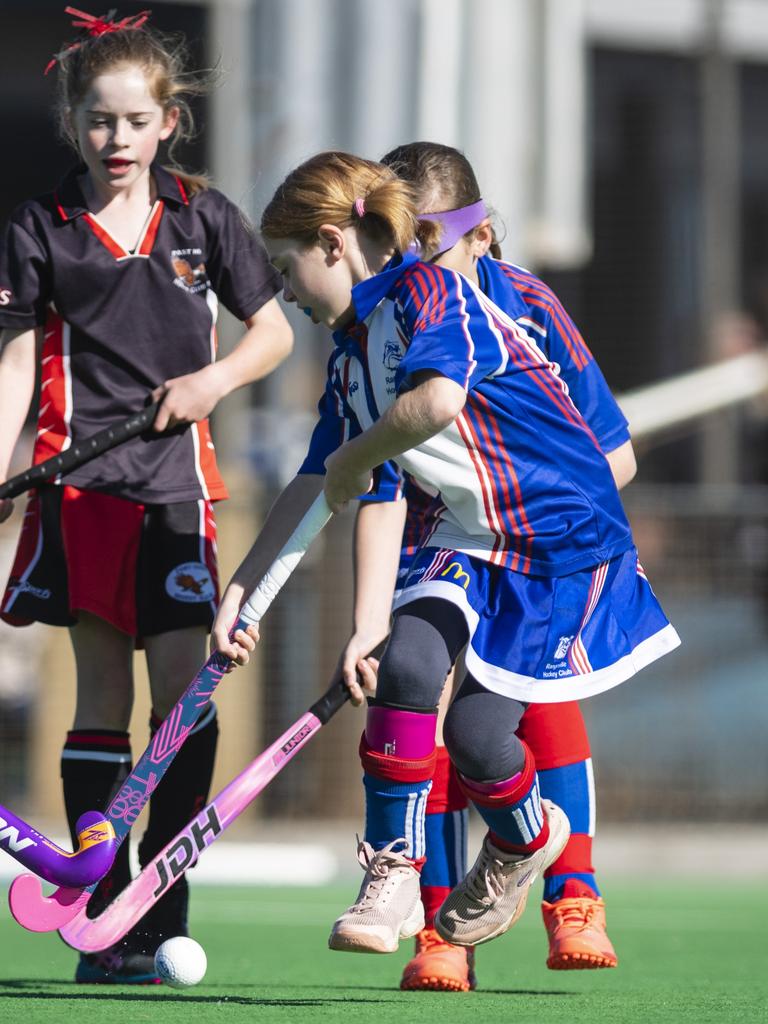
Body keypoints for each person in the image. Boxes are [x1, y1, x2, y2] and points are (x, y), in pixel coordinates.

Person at [212, 150, 679, 963]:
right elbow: (316, 483)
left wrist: (362, 454)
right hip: (468, 533)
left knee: (476, 736)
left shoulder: (435, 294)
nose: (283, 291)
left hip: (558, 541)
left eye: (286, 269)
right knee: (409, 667)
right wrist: (244, 594)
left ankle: (530, 848)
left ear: (331, 243)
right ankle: (393, 870)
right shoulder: (352, 352)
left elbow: (436, 402)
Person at [0, 8, 292, 984]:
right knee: (102, 696)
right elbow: (14, 358)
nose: (114, 139)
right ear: (72, 120)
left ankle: (158, 898)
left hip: (177, 494)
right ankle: (99, 905)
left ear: (168, 122)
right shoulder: (41, 228)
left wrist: (211, 384)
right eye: (97, 120)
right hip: (78, 490)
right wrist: (2, 471)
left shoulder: (206, 217)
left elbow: (273, 333)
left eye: (133, 120)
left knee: (182, 698)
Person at [339, 141, 635, 990]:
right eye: (400, 242)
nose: (416, 262)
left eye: (431, 240)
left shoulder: (529, 307)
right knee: (422, 712)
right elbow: (380, 475)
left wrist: (539, 525)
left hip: (538, 543)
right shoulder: (388, 327)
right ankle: (441, 925)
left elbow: (612, 454)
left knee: (534, 707)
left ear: (482, 235)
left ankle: (574, 894)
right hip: (440, 548)